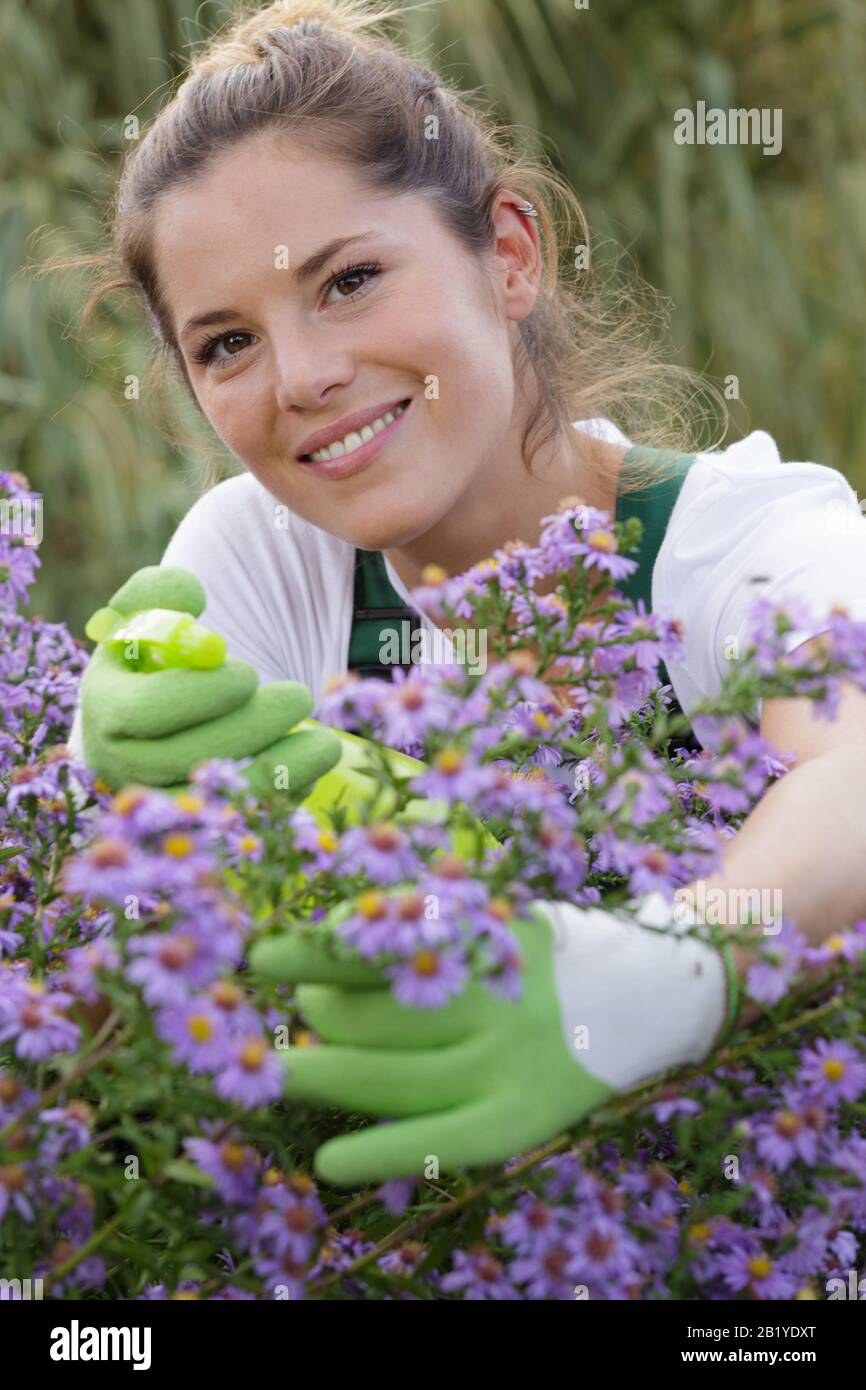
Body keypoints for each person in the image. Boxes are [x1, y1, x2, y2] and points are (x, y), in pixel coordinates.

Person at [68, 0, 866, 1185]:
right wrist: (114, 799)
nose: (304, 377)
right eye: (226, 344)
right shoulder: (257, 559)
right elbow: (122, 1027)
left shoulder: (737, 541)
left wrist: (673, 964)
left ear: (508, 254)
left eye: (348, 281)